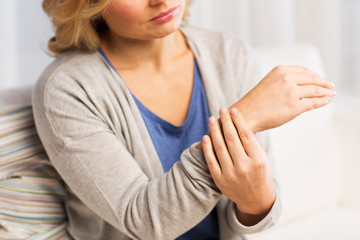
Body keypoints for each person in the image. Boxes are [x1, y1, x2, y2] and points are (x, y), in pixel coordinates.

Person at [33, 0, 336, 239]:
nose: (162, 1)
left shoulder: (230, 55)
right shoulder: (67, 88)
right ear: (87, 3)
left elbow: (256, 220)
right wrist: (244, 118)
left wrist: (256, 202)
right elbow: (144, 223)